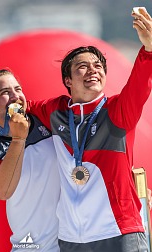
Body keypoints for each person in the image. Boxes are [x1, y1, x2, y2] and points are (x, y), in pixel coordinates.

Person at [26, 8, 152, 252]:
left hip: (119, 232)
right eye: (82, 66)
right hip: (72, 238)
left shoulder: (116, 111)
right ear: (68, 81)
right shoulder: (56, 111)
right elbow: (23, 107)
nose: (93, 70)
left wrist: (149, 51)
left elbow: (140, 84)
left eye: (97, 65)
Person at [0, 69, 60, 251]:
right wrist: (18, 140)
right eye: (5, 92)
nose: (15, 96)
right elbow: (2, 191)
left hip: (71, 243)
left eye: (18, 89)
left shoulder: (44, 118)